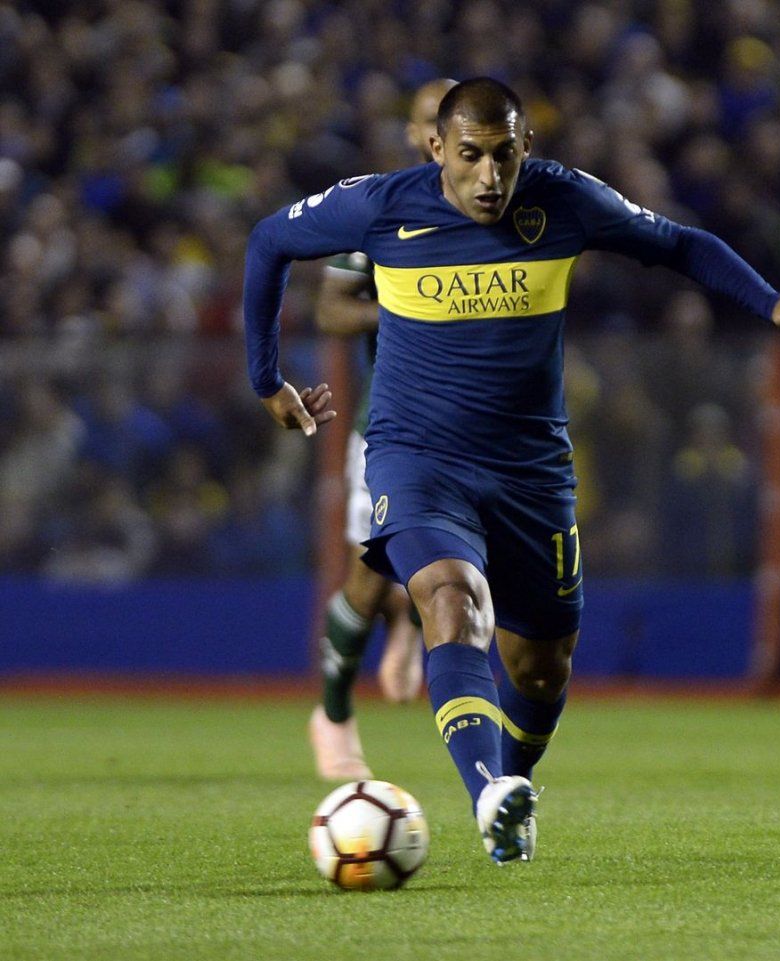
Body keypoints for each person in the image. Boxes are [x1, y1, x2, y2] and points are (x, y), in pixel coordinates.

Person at [244, 78, 780, 865]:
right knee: (450, 599)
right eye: (470, 156)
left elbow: (678, 244)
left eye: (504, 155)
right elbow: (269, 241)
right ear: (436, 149)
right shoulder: (379, 206)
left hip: (530, 474)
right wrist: (267, 379)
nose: (489, 176)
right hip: (417, 458)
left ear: (526, 147)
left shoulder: (564, 199)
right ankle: (486, 791)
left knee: (539, 665)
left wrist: (770, 303)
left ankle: (513, 788)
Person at [308, 79, 456, 783]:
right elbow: (331, 310)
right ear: (413, 134)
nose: (443, 137)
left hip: (484, 432)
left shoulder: (505, 210)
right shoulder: (380, 207)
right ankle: (334, 711)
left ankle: (415, 630)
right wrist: (405, 305)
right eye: (431, 122)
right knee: (368, 580)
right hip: (392, 428)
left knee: (468, 575)